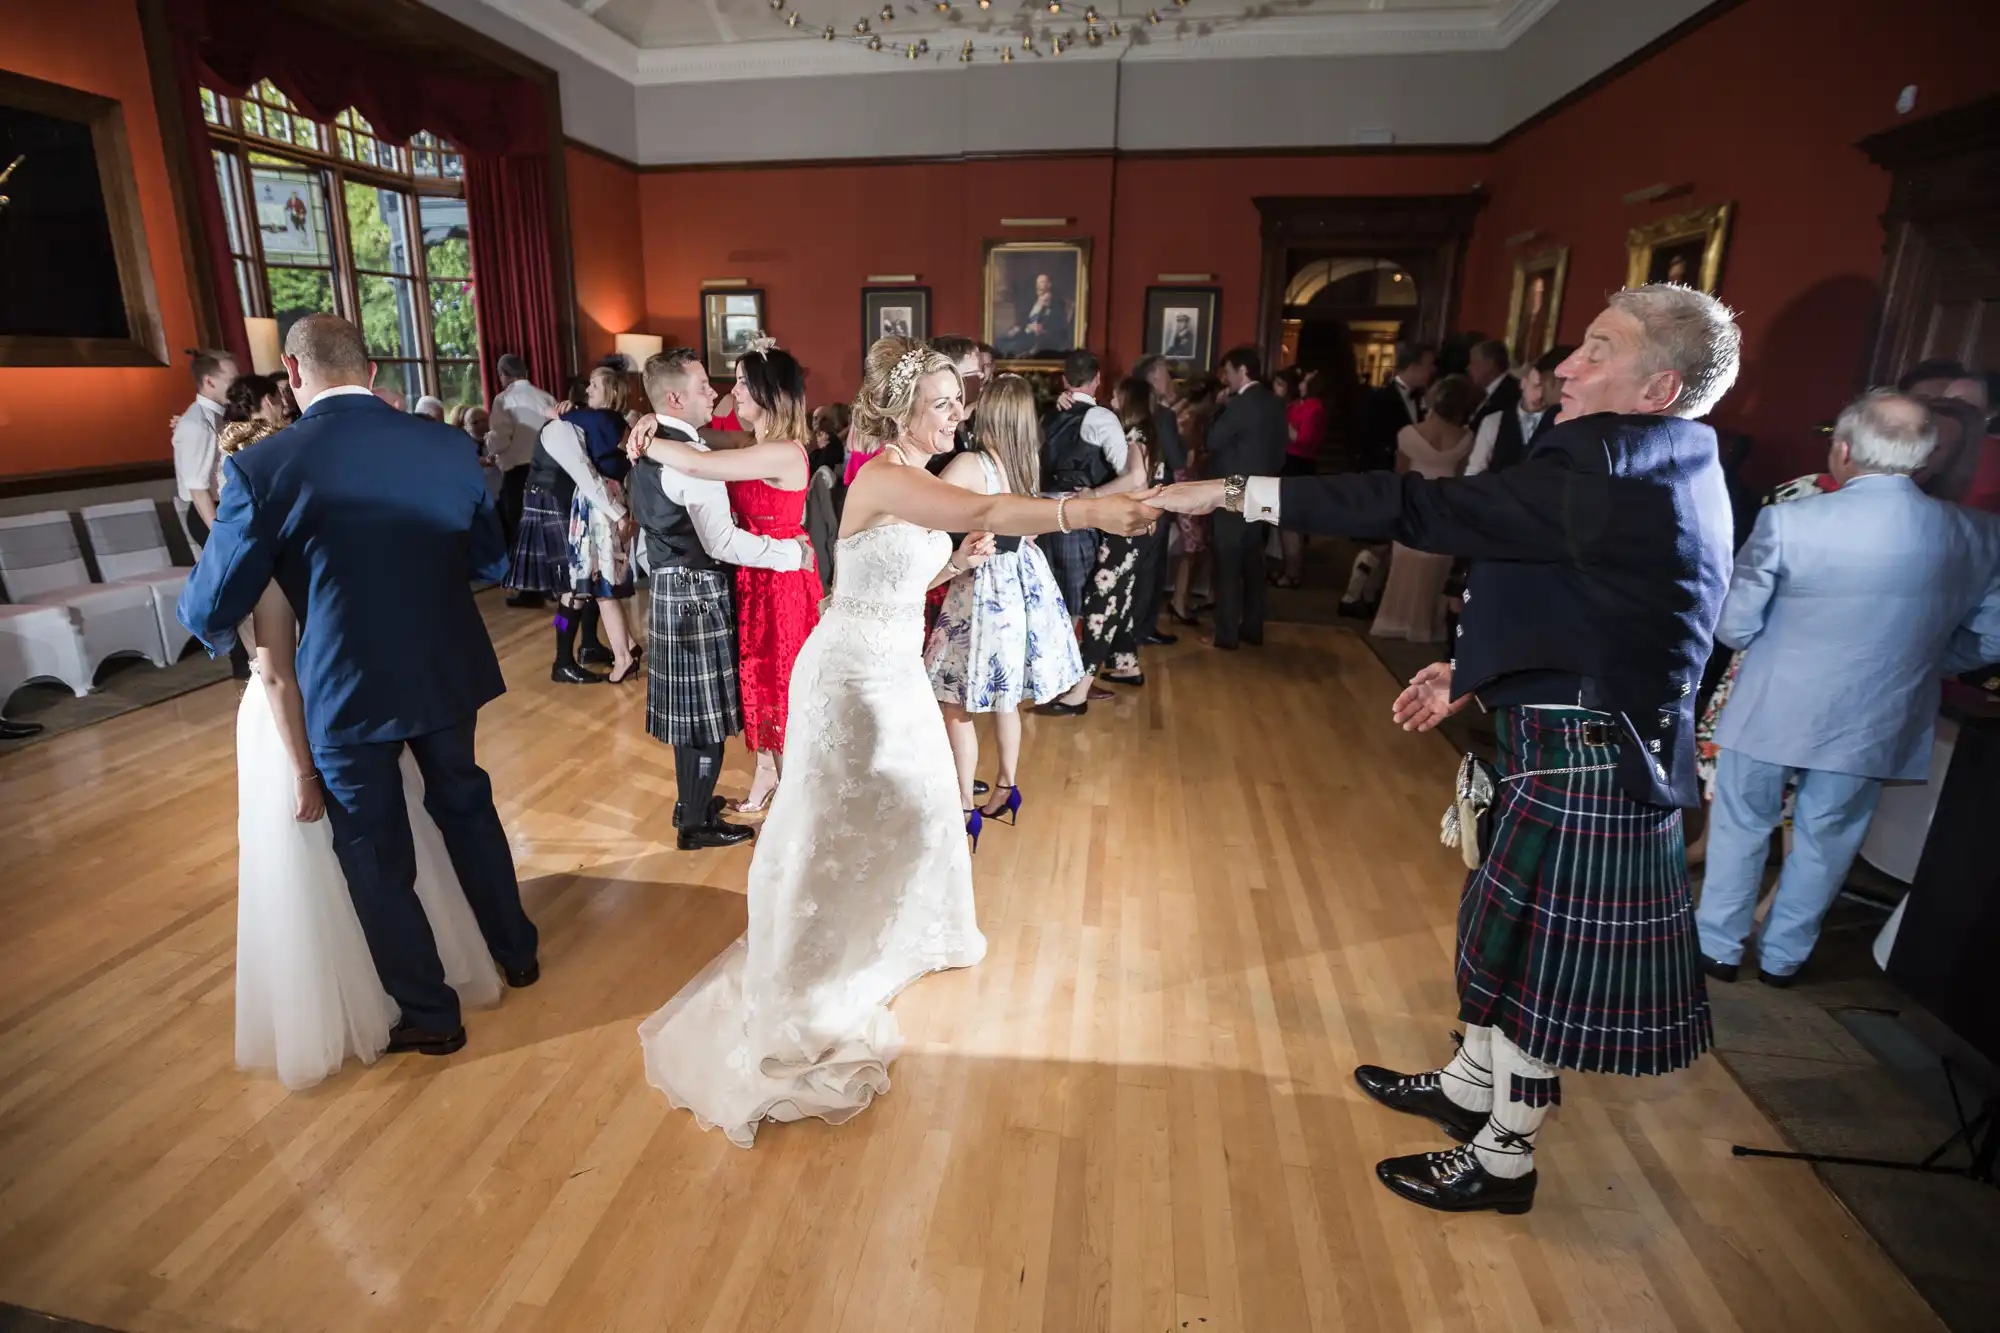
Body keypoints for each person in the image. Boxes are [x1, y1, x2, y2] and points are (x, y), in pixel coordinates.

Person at [1148, 284, 1744, 1215]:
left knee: (1535, 977)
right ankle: (1471, 1086)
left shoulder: (1607, 459)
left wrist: (1234, 491)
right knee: (1497, 945)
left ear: (1659, 387)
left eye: (1597, 348)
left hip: (1586, 760)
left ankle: (1504, 1159)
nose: (1566, 367)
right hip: (1574, 737)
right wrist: (1470, 671)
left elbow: (1422, 510)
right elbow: (1580, 595)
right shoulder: (1673, 455)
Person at [637, 336, 1157, 1148]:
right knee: (835, 823)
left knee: (919, 809)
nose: (959, 413)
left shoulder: (908, 482)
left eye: (960, 400)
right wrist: (1089, 509)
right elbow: (980, 510)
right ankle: (808, 971)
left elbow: (892, 572)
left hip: (894, 671)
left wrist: (948, 570)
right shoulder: (880, 475)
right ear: (902, 410)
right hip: (848, 676)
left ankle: (908, 929)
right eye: (944, 402)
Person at [178, 314, 538, 1060]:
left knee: (376, 851)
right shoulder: (444, 443)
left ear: (294, 372)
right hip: (445, 664)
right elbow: (490, 557)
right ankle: (518, 950)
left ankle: (431, 1010)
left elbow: (211, 604)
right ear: (371, 372)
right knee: (466, 803)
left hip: (346, 685)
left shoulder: (265, 468)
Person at [219, 413, 502, 1090]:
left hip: (309, 715)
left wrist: (302, 768)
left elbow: (276, 672)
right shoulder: (320, 514)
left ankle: (408, 1002)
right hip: (347, 696)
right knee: (408, 835)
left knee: (361, 855)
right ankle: (476, 959)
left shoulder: (255, 551)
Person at [1694, 391, 2000, 984]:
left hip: (1774, 702)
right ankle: (1784, 957)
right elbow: (1990, 639)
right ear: (1925, 457)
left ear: (1843, 449)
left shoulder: (1791, 519)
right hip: (1883, 712)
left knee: (1742, 824)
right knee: (1829, 837)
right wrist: (1921, 660)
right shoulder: (1978, 534)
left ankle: (1718, 948)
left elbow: (1734, 626)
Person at [625, 349, 815, 851]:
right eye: (716, 384)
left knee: (775, 692)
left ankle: (792, 804)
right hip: (747, 576)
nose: (727, 393)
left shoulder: (775, 451)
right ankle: (727, 796)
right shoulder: (743, 443)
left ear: (770, 394)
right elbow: (698, 453)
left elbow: (695, 458)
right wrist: (653, 423)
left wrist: (648, 431)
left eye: (740, 384)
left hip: (775, 577)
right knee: (722, 701)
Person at [924, 374, 1084, 821]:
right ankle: (1005, 787)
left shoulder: (973, 465)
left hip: (984, 585)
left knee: (954, 699)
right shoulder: (1024, 462)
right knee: (1003, 696)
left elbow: (921, 501)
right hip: (1022, 583)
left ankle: (961, 806)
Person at [1044, 376, 1161, 716]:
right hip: (1141, 529)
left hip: (1127, 531)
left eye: (1117, 395)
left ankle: (1077, 694)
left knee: (1101, 608)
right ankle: (1126, 665)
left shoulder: (1136, 436)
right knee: (1118, 600)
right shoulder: (1149, 432)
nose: (1111, 399)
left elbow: (1136, 479)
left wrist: (1092, 495)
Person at [548, 367, 642, 685]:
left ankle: (576, 653)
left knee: (589, 586)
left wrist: (562, 411)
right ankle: (568, 654)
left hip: (592, 505)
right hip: (589, 503)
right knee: (582, 587)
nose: (587, 390)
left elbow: (556, 418)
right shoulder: (610, 424)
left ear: (612, 391)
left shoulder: (597, 421)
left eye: (594, 384)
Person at [1369, 374, 1478, 642]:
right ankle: (1426, 626)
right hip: (1444, 511)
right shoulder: (1466, 438)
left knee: (1404, 567)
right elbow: (1463, 477)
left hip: (1413, 507)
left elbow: (1400, 474)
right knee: (1435, 569)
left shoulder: (1407, 434)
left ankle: (1395, 620)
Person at [1340, 342, 1435, 618]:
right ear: (1415, 367)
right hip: (1383, 479)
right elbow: (1367, 442)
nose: (1431, 372)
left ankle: (1369, 597)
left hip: (1408, 481)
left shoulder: (1423, 399)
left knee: (1388, 543)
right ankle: (1350, 596)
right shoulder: (1379, 398)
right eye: (1428, 365)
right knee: (1378, 542)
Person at [1202, 346, 1288, 650]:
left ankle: (1226, 635)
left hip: (1236, 486)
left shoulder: (1237, 404)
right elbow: (1282, 448)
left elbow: (1212, 441)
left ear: (1242, 371)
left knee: (1227, 560)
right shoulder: (1276, 403)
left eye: (1227, 372)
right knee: (1254, 560)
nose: (1225, 378)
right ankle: (1253, 628)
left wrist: (1219, 408)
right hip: (1266, 485)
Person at [1038, 350, 1127, 616]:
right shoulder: (1102, 418)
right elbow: (1127, 472)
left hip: (1039, 516)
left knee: (1045, 599)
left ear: (1065, 381)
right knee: (1075, 603)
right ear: (1097, 379)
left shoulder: (1046, 416)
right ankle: (1074, 657)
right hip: (1077, 517)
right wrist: (1097, 493)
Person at [489, 353, 558, 606]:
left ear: (504, 374)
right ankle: (552, 585)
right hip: (549, 470)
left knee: (521, 530)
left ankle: (530, 591)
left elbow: (500, 438)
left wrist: (489, 447)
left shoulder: (504, 400)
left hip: (519, 474)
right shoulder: (545, 397)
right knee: (547, 528)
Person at [1130, 355, 1188, 645]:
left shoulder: (1127, 408)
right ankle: (1142, 630)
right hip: (1157, 497)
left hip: (1128, 498)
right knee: (1151, 567)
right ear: (1153, 378)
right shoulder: (1162, 415)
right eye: (1166, 373)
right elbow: (1177, 458)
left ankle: (1132, 627)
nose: (1171, 378)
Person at [1466, 345, 1569, 476]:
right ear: (1523, 383)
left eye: (1543, 387)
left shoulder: (1557, 421)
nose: (1540, 395)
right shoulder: (1494, 421)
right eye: (1536, 386)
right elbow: (1474, 471)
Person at [173, 349, 237, 551]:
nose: (238, 387)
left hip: (227, 508)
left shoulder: (222, 416)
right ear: (209, 382)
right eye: (233, 380)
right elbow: (197, 487)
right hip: (211, 513)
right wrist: (219, 533)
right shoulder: (197, 423)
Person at [1275, 365, 1327, 588]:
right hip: (1287, 462)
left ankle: (1293, 573)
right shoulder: (1299, 405)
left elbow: (1303, 440)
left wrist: (1281, 420)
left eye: (1307, 378)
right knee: (1284, 523)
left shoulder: (1315, 408)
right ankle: (1289, 568)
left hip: (1298, 465)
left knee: (1291, 523)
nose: (1302, 382)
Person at [999, 272, 1072, 358]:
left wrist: (1042, 327)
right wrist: (1017, 327)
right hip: (1025, 333)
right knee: (1000, 340)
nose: (1038, 285)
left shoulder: (1056, 303)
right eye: (1037, 283)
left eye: (1042, 282)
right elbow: (1026, 319)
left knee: (1011, 348)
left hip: (1041, 338)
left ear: (1049, 285)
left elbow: (1059, 324)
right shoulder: (1034, 301)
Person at [1465, 337, 1520, 431]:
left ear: (1490, 364)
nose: (1468, 368)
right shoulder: (1489, 392)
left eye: (1473, 362)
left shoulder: (1508, 394)